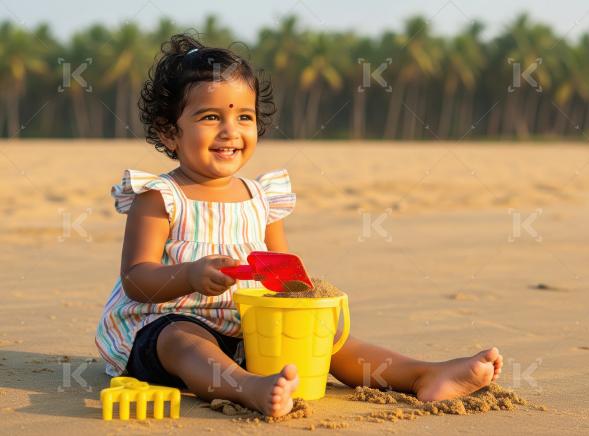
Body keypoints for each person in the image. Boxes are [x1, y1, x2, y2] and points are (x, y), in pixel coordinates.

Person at [95, 33, 503, 417]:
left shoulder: (261, 197)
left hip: (247, 328)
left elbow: (280, 273)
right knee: (184, 340)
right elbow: (137, 278)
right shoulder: (160, 197)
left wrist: (305, 305)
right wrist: (189, 274)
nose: (230, 131)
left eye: (244, 117)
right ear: (170, 132)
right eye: (209, 116)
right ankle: (248, 388)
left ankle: (423, 374)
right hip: (161, 331)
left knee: (329, 343)